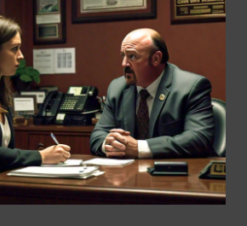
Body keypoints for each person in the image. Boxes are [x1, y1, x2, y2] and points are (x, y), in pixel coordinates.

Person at [0, 15, 71, 203]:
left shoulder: (0, 91)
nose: (21, 55)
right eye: (14, 49)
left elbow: (7, 152)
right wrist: (40, 156)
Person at [90, 28, 216, 159]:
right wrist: (109, 145)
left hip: (177, 173)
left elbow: (199, 139)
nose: (124, 64)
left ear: (156, 59)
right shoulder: (117, 88)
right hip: (129, 174)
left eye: (132, 56)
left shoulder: (191, 87)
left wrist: (139, 148)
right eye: (123, 55)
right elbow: (98, 134)